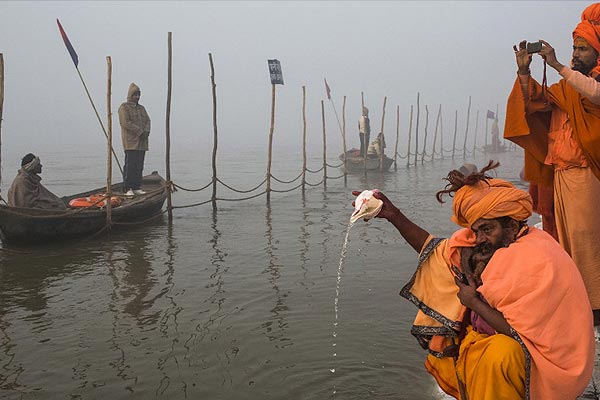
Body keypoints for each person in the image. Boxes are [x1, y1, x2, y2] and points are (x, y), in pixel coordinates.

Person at [353, 161, 594, 399]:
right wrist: (393, 215)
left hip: (547, 366)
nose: (479, 238)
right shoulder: (491, 242)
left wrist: (473, 302)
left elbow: (520, 335)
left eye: (487, 230)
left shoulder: (536, 256)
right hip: (500, 349)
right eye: (476, 230)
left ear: (511, 224)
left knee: (500, 354)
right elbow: (437, 251)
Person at [505, 3, 600, 326]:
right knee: (564, 240)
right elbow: (533, 101)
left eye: (583, 48)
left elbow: (595, 96)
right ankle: (574, 297)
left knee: (587, 239)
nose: (576, 53)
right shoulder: (564, 89)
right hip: (561, 173)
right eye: (574, 47)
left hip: (588, 173)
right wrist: (524, 71)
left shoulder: (590, 83)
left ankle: (595, 308)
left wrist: (558, 63)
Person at [118, 82, 151, 197]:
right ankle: (128, 188)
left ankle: (136, 186)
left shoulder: (142, 108)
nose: (137, 97)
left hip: (142, 142)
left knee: (139, 165)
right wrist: (139, 131)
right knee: (130, 165)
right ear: (130, 95)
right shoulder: (124, 107)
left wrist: (146, 131)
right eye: (135, 95)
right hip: (131, 142)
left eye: (138, 95)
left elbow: (148, 120)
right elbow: (125, 123)